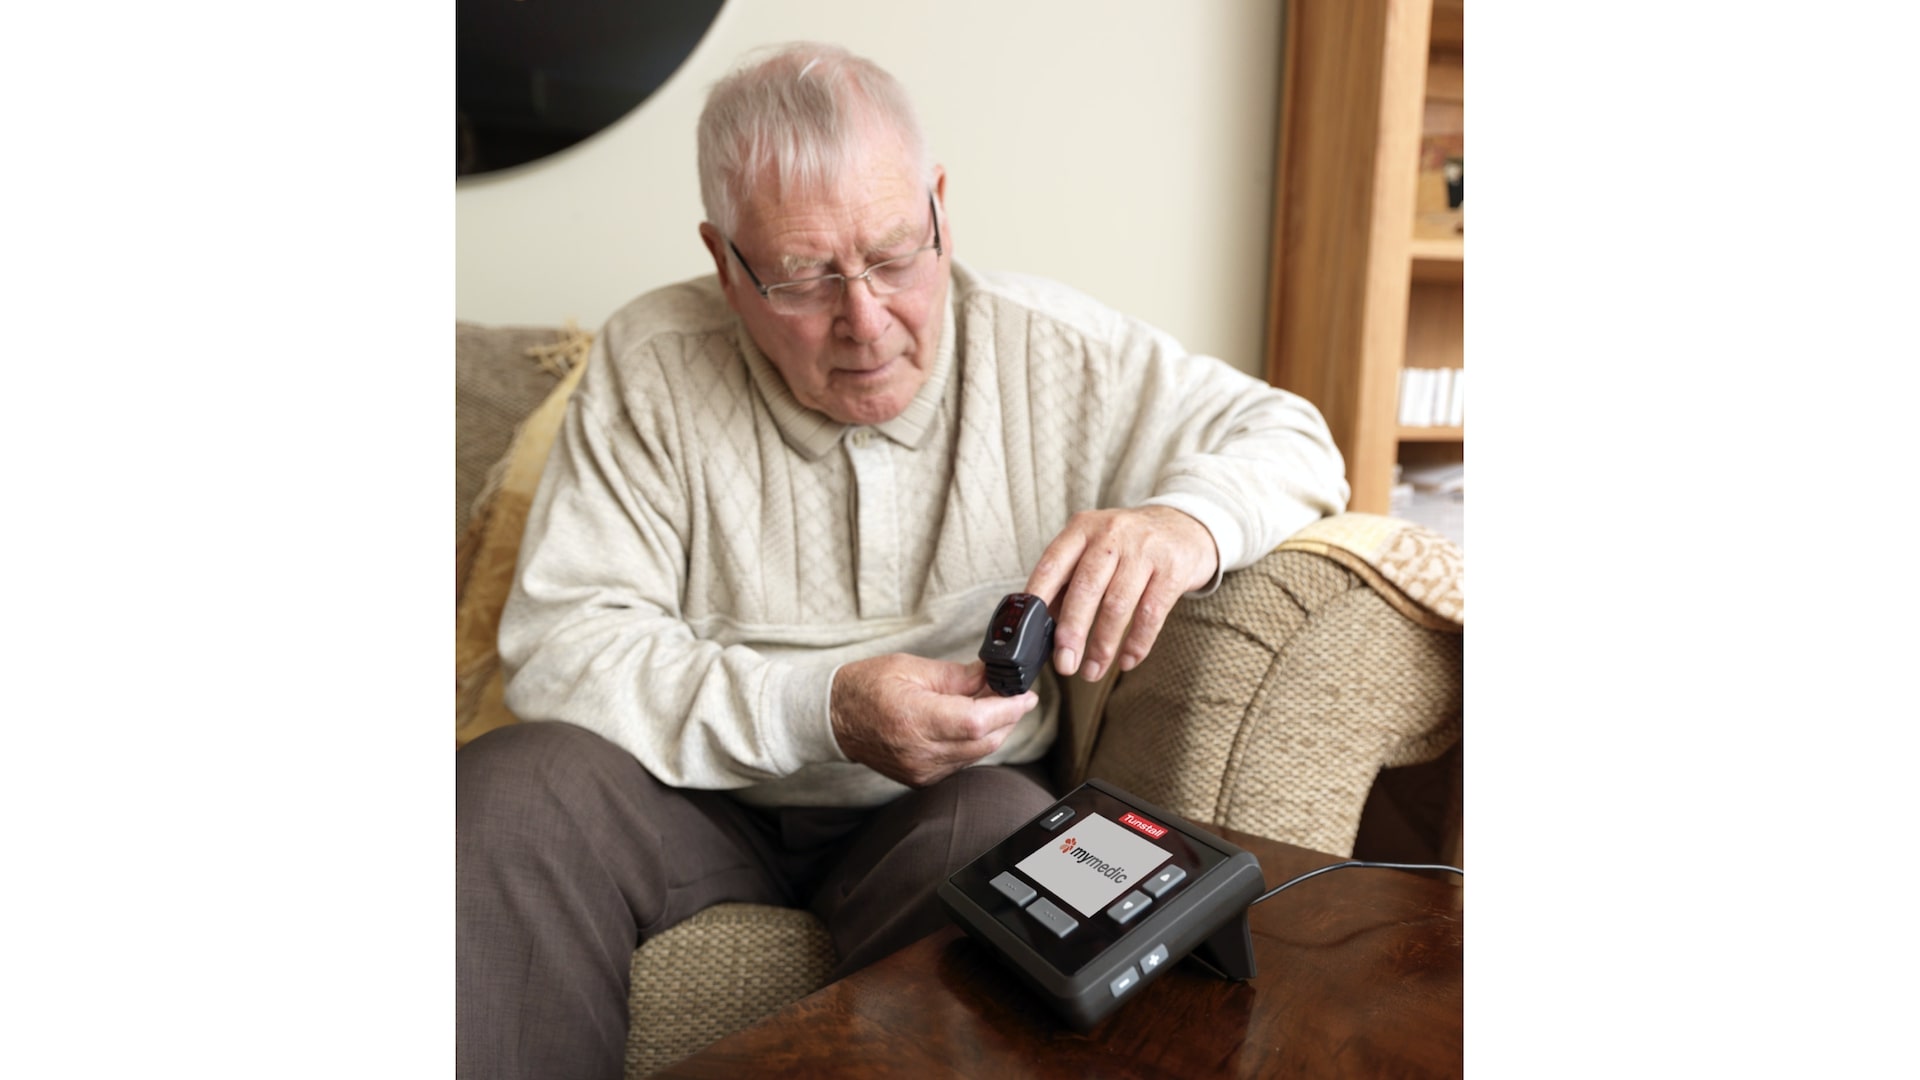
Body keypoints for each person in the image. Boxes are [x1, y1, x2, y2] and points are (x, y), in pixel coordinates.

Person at [456, 41, 1349, 1079]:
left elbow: (1288, 436)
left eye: (891, 257)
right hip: (692, 801)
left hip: (947, 805)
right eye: (802, 277)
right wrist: (825, 707)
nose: (865, 323)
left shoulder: (1050, 348)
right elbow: (565, 650)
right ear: (725, 263)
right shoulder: (651, 363)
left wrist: (1181, 523)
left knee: (1020, 841)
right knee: (513, 792)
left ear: (939, 208)